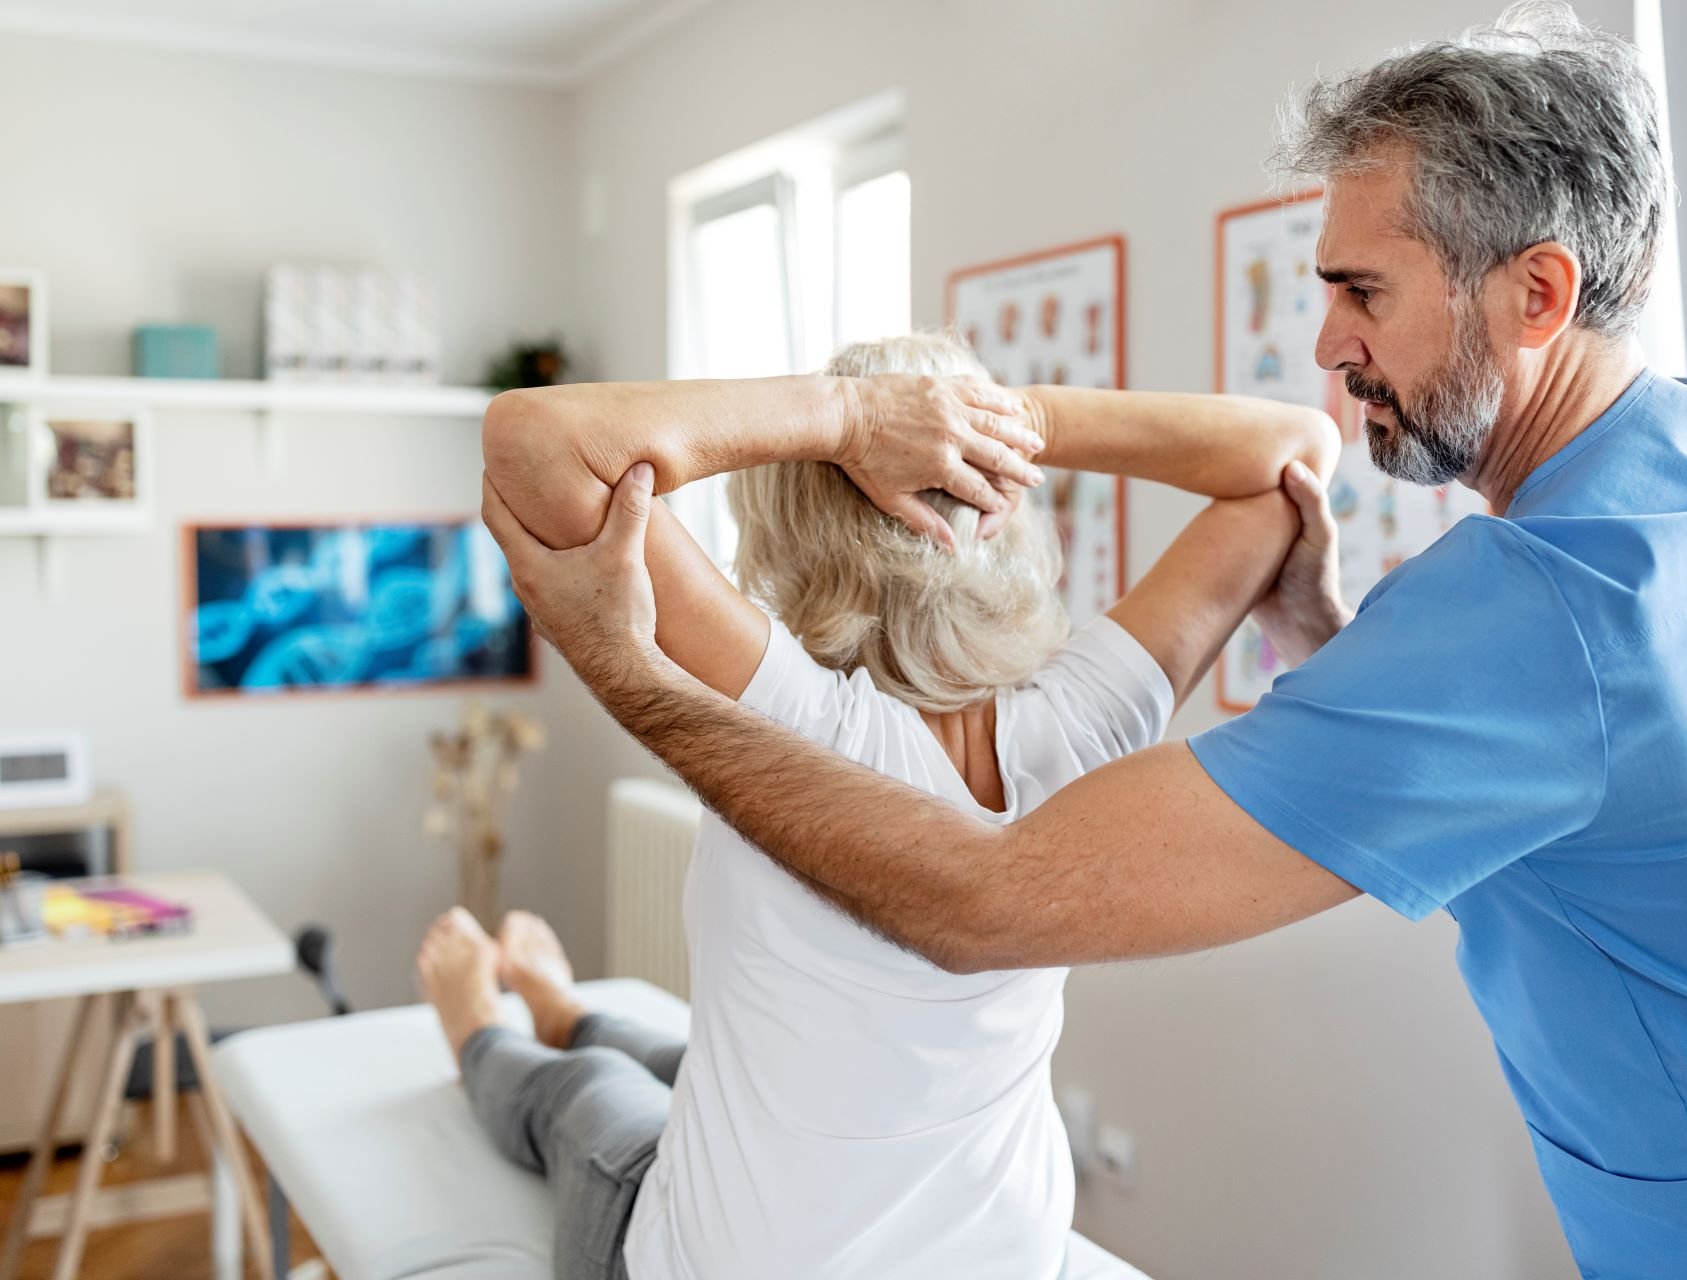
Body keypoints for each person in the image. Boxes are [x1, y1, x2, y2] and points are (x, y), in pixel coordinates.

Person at [483, 7, 1687, 1278]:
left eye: (1363, 291)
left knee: (609, 1112)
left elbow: (979, 901)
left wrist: (644, 654)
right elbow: (1554, 718)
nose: (1327, 346)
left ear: (1535, 294)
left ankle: (512, 1020)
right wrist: (969, 423)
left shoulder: (1551, 607)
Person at [438, 331, 1335, 1280]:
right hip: (1006, 1261)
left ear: (790, 523)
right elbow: (1298, 450)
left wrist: (860, 418)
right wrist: (1011, 424)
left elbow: (536, 440)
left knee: (585, 1101)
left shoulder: (787, 715)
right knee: (680, 1064)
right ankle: (558, 1004)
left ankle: (476, 1020)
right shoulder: (1082, 724)